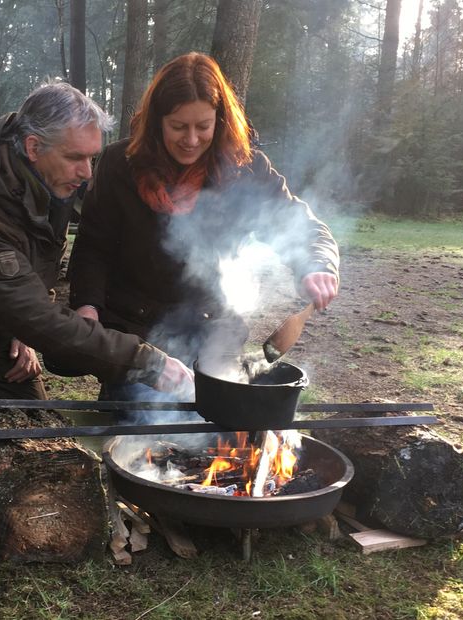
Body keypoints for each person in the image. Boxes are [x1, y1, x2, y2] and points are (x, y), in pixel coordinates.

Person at [0, 82, 195, 472]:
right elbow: (38, 315)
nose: (87, 173)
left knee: (40, 441)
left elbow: (34, 276)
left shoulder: (49, 183)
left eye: (92, 157)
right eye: (76, 157)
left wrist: (20, 330)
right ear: (32, 147)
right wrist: (148, 362)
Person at [67, 52, 340, 405]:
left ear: (221, 120)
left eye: (203, 126)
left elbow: (300, 225)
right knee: (136, 430)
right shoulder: (120, 165)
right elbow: (93, 245)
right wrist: (87, 305)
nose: (191, 139)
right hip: (135, 335)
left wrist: (318, 264)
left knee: (216, 439)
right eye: (178, 126)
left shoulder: (246, 167)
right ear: (156, 121)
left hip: (213, 334)